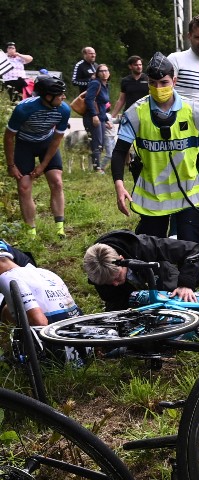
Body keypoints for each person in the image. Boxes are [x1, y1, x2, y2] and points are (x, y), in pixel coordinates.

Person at [111, 53, 199, 245]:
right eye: (152, 83)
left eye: (163, 82)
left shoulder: (194, 110)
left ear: (174, 81)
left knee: (190, 255)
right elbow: (119, 151)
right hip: (153, 200)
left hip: (189, 196)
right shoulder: (135, 113)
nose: (158, 88)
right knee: (152, 256)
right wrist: (119, 184)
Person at [5, 75, 69, 241]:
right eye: (60, 94)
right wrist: (11, 165)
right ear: (48, 96)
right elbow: (9, 137)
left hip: (46, 143)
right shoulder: (23, 109)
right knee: (24, 187)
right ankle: (31, 233)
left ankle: (59, 229)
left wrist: (43, 166)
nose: (64, 97)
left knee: (56, 181)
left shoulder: (63, 109)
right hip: (24, 144)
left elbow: (56, 139)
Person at [82, 231, 199, 310]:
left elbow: (191, 249)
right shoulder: (98, 272)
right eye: (108, 283)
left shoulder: (143, 246)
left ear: (121, 259)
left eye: (117, 277)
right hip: (133, 297)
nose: (115, 284)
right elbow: (115, 301)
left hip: (164, 280)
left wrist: (185, 284)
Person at [0, 248, 79, 327]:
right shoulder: (47, 272)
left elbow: (39, 323)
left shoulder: (8, 277)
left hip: (53, 334)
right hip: (77, 327)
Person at [83, 64, 111, 173]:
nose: (104, 73)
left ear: (109, 73)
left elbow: (102, 105)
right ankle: (97, 168)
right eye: (101, 71)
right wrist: (94, 115)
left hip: (101, 117)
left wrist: (107, 120)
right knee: (96, 142)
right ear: (98, 73)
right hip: (92, 117)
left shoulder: (105, 85)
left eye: (106, 70)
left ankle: (95, 165)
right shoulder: (95, 83)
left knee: (101, 143)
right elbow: (89, 100)